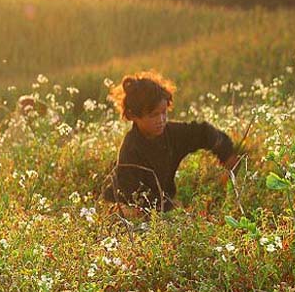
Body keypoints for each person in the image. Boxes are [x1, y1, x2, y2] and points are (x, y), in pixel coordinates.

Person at [102, 71, 238, 216]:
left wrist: (227, 155)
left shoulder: (172, 134)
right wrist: (172, 208)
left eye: (164, 112)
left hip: (161, 201)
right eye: (153, 115)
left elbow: (203, 133)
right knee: (131, 213)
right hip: (127, 201)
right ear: (133, 116)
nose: (161, 120)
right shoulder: (130, 148)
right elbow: (135, 194)